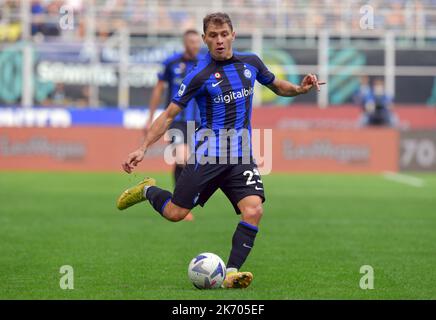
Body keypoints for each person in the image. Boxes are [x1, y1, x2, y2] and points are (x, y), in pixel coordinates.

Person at [117, 12, 324, 289]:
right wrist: (143, 147)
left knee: (254, 210)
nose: (219, 40)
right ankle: (146, 190)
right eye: (213, 36)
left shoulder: (251, 63)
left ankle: (230, 273)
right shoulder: (198, 76)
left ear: (233, 35)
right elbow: (168, 116)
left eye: (224, 34)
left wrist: (299, 89)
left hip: (240, 156)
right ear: (205, 39)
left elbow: (276, 86)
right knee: (176, 213)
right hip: (208, 155)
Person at [145, 29, 202, 221]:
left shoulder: (205, 62)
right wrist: (150, 118)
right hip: (176, 121)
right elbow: (158, 90)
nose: (195, 46)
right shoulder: (171, 63)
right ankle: (179, 204)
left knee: (192, 162)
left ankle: (181, 201)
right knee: (182, 158)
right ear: (185, 43)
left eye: (197, 43)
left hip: (200, 121)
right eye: (191, 43)